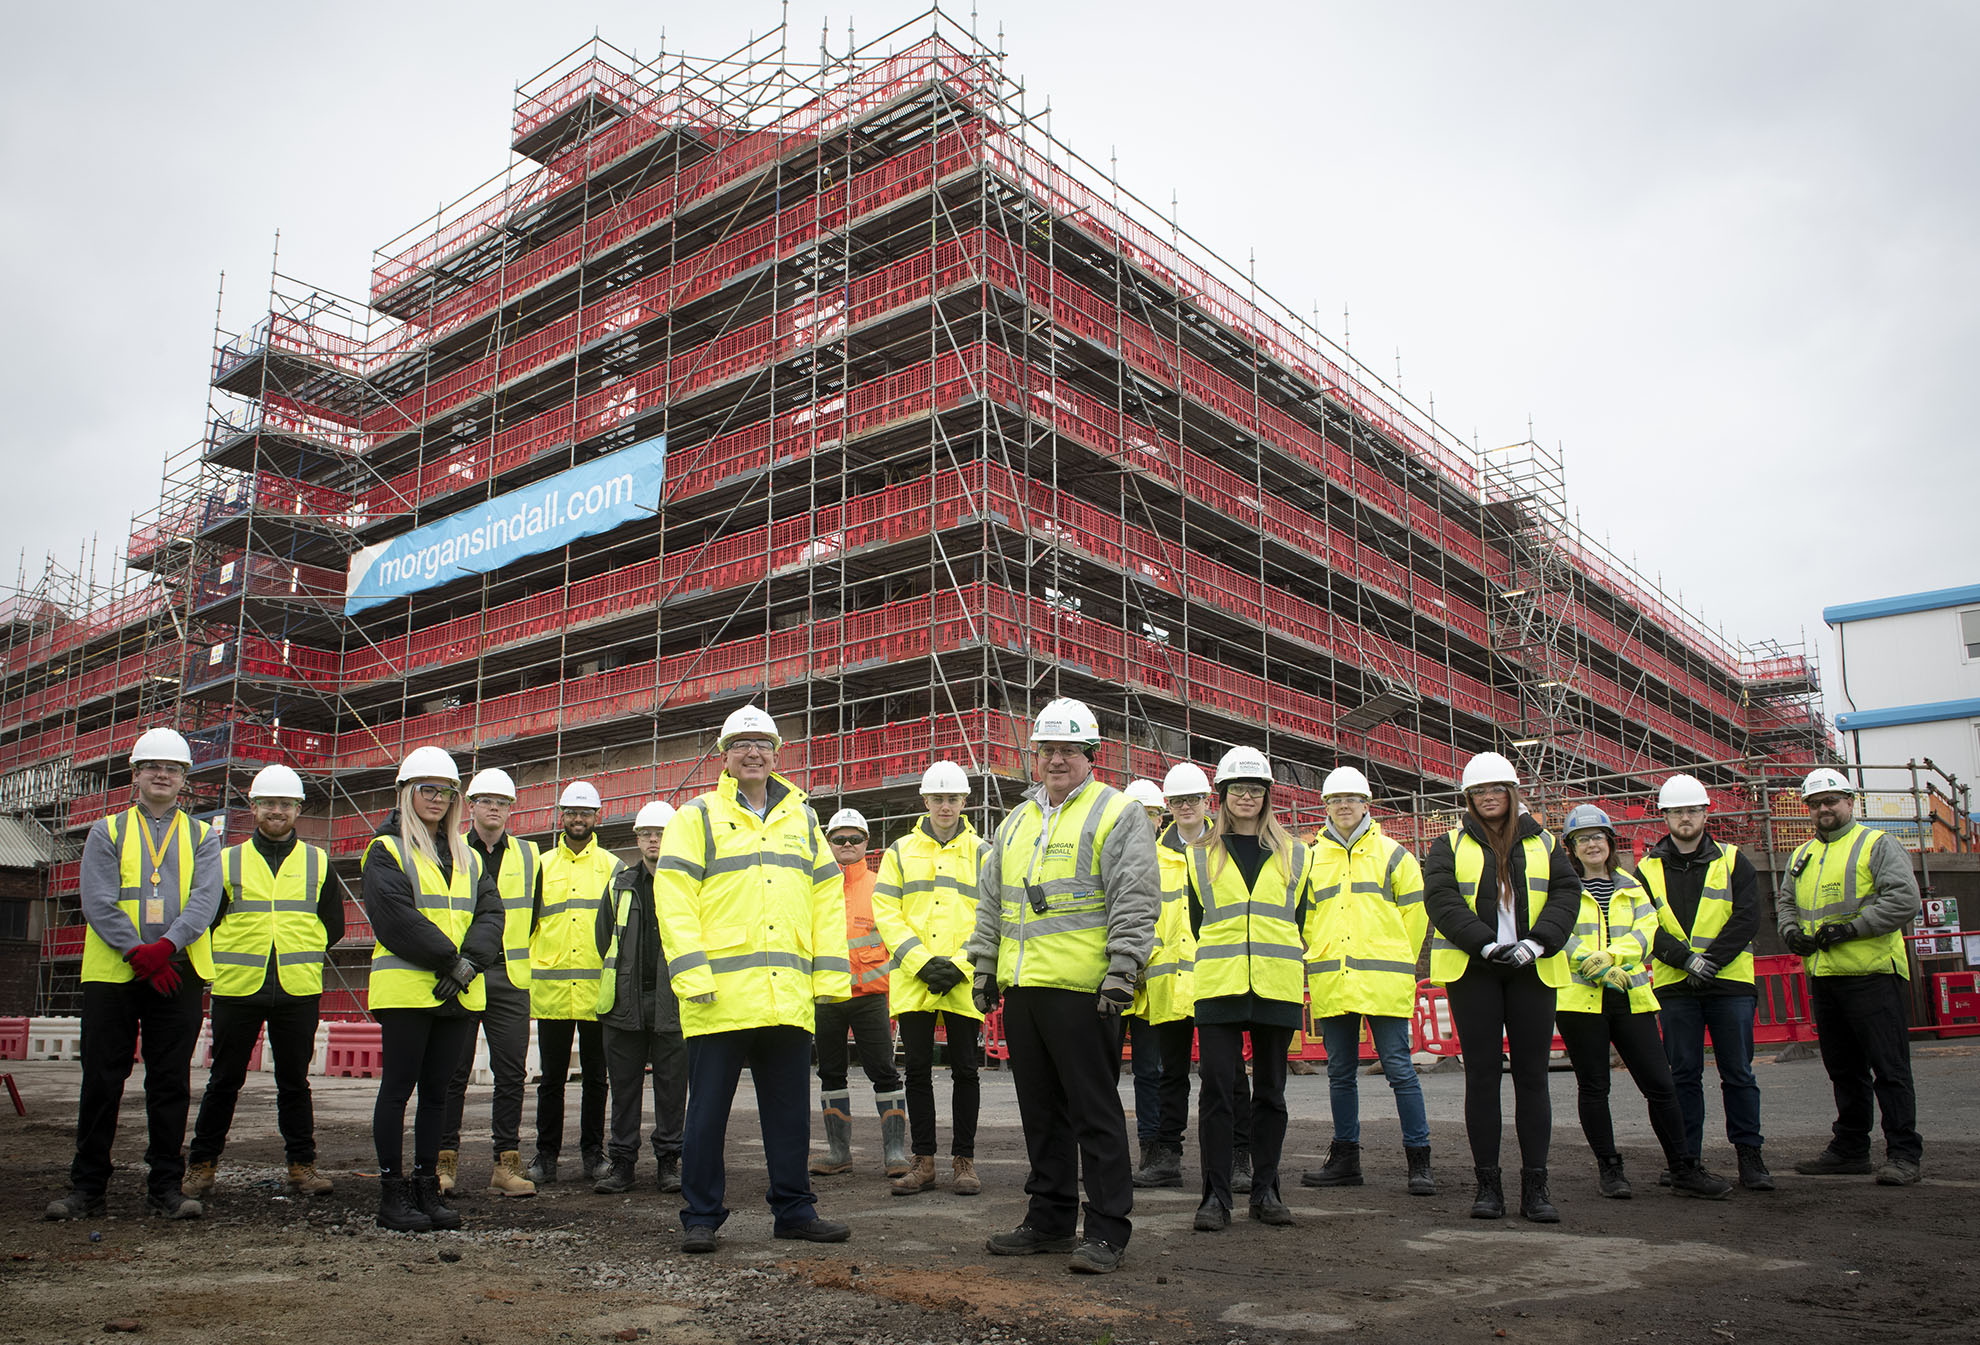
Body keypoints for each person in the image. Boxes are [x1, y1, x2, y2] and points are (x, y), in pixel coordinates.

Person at [966, 697, 1158, 1275]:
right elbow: (993, 901)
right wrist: (984, 965)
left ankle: (1106, 1230)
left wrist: (1123, 971)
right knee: (1041, 1114)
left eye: (1068, 750)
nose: (1056, 759)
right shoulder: (1016, 821)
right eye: (1047, 749)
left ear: (1090, 755)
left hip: (1084, 990)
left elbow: (1135, 897)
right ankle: (1049, 1220)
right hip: (1024, 989)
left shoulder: (1116, 812)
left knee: (1093, 1112)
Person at [655, 704, 853, 1252]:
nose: (752, 752)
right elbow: (674, 901)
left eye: (762, 743)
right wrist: (692, 975)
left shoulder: (803, 818)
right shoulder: (695, 817)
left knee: (789, 1115)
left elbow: (825, 901)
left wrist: (829, 982)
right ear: (724, 755)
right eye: (741, 744)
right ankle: (700, 1215)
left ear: (776, 753)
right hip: (717, 996)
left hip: (785, 995)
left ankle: (794, 1209)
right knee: (707, 1116)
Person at [47, 727, 222, 1222]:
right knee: (102, 1079)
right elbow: (97, 900)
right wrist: (137, 951)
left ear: (184, 779)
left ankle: (165, 1185)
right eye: (153, 767)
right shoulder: (108, 831)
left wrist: (166, 947)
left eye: (172, 769)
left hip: (178, 971)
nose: (162, 775)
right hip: (114, 975)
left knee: (168, 1082)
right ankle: (88, 1188)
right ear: (136, 775)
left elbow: (204, 901)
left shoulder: (203, 836)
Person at [1423, 751, 1580, 1222]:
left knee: (1533, 1079)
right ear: (1468, 799)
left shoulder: (1546, 842)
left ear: (1512, 793)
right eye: (1479, 792)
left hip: (1533, 969)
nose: (1488, 798)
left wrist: (1539, 943)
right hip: (1476, 972)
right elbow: (1441, 900)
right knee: (1483, 1078)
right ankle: (1487, 1186)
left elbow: (1567, 893)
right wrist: (1486, 946)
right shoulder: (1447, 844)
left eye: (1496, 790)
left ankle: (1536, 1186)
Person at [1552, 805, 1730, 1200]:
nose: (1592, 844)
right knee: (1595, 1087)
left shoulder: (1631, 886)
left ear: (1610, 842)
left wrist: (1612, 958)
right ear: (1571, 848)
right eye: (1583, 839)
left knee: (1660, 1085)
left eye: (1598, 836)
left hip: (1630, 997)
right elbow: (1557, 933)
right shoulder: (1561, 888)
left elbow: (1647, 931)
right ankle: (1610, 1170)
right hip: (1580, 1001)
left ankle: (1683, 1167)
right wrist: (1591, 965)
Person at [185, 763, 344, 1202]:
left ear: (298, 809)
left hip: (297, 988)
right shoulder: (226, 860)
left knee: (294, 1083)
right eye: (269, 803)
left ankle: (302, 1166)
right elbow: (207, 920)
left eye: (286, 804)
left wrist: (297, 949)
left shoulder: (317, 861)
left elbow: (334, 925)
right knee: (224, 1081)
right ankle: (201, 1166)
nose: (278, 810)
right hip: (238, 987)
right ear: (253, 808)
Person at [363, 745, 504, 1232]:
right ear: (405, 793)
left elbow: (491, 915)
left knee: (438, 1095)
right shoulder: (386, 849)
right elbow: (394, 918)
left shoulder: (467, 856)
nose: (438, 799)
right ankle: (390, 1194)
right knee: (398, 1090)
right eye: (427, 789)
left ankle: (426, 1187)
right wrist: (454, 961)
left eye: (446, 791)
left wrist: (466, 966)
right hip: (407, 991)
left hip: (457, 992)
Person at [1184, 746, 1311, 1233]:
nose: (1246, 796)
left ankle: (1267, 1191)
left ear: (1267, 795)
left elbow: (1299, 918)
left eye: (1255, 789)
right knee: (1217, 1091)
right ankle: (1215, 1197)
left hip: (1276, 986)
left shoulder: (1296, 852)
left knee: (1272, 1094)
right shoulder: (1200, 857)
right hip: (1220, 984)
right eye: (1237, 788)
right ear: (1222, 796)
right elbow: (1198, 923)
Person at [1778, 767, 1924, 1186]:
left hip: (1873, 974)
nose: (1824, 809)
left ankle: (1904, 1154)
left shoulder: (1877, 845)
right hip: (1826, 976)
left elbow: (1903, 900)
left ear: (1850, 802)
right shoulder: (1801, 855)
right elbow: (1786, 903)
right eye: (1816, 804)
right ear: (1808, 809)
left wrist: (1851, 929)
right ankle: (1851, 1148)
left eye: (1831, 801)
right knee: (1843, 1069)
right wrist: (1790, 933)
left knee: (1889, 1068)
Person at [1299, 765, 1433, 1196]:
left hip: (1382, 979)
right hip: (1332, 977)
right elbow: (1305, 917)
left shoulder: (1394, 854)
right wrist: (1316, 949)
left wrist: (1398, 957)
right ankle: (1346, 1160)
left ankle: (1420, 1159)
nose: (1343, 806)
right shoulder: (1310, 857)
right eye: (1336, 800)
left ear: (1366, 804)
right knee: (1339, 1072)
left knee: (1399, 1069)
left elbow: (1418, 914)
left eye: (1351, 799)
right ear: (1325, 806)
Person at [1636, 773, 1771, 1192]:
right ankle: (1686, 1161)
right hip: (1677, 986)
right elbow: (1643, 925)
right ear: (1665, 817)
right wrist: (1685, 961)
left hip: (1728, 983)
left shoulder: (1733, 860)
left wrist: (1708, 961)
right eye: (1677, 812)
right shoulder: (1646, 868)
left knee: (1738, 1074)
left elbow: (1748, 916)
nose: (1685, 818)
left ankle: (1750, 1158)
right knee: (1683, 1076)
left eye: (1692, 810)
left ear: (1705, 812)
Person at [871, 761, 987, 1196]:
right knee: (917, 1070)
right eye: (938, 798)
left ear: (965, 801)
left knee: (966, 1070)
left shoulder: (983, 852)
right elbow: (887, 912)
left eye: (953, 798)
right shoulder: (899, 851)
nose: (945, 806)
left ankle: (964, 1161)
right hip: (915, 976)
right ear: (925, 801)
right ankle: (924, 1161)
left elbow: (991, 913)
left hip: (963, 976)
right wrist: (921, 961)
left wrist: (960, 963)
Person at [439, 767, 540, 1199]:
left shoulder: (530, 854)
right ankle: (444, 1162)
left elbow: (534, 912)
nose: (495, 808)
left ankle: (506, 1163)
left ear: (510, 809)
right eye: (486, 801)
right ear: (471, 807)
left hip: (510, 976)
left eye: (502, 803)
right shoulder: (449, 850)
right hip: (463, 976)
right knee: (452, 1072)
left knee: (511, 1075)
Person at [807, 806, 908, 1182]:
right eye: (839, 839)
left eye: (854, 839)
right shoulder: (816, 887)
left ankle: (895, 1152)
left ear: (867, 843)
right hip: (828, 996)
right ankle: (838, 1153)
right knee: (830, 1072)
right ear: (828, 842)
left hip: (869, 996)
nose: (847, 844)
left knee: (883, 1070)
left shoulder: (881, 885)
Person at [527, 781, 620, 1185]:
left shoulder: (613, 867)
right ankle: (545, 1156)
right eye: (571, 812)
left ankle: (592, 1154)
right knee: (551, 1080)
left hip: (598, 993)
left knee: (597, 1080)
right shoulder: (541, 866)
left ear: (597, 817)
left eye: (585, 813)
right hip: (551, 991)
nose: (578, 819)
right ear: (560, 816)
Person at [593, 801, 687, 1194]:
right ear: (637, 838)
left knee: (671, 1088)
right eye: (647, 833)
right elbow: (604, 940)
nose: (653, 839)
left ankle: (669, 1163)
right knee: (625, 1088)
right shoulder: (619, 885)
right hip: (624, 1004)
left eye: (661, 832)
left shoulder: (686, 885)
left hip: (673, 1002)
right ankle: (622, 1165)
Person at [1127, 772, 1196, 1190]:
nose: (1145, 821)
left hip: (1157, 979)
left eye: (1151, 813)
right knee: (1135, 1072)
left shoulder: (1162, 858)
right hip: (1129, 978)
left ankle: (1154, 1151)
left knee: (1155, 1070)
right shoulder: (1122, 857)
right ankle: (1139, 1151)